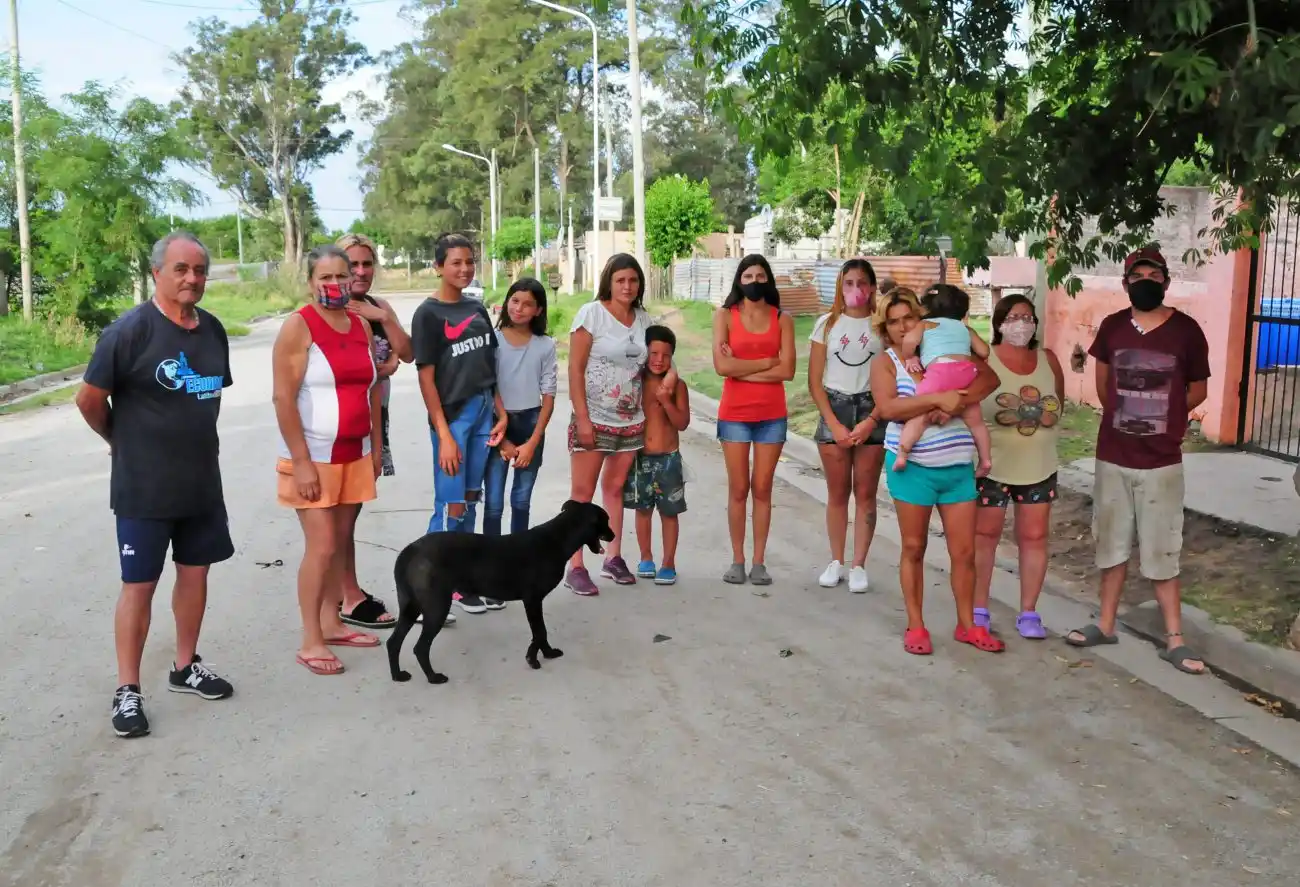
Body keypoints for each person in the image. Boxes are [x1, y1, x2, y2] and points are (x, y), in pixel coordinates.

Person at [76, 231, 235, 738]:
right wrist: (118, 439)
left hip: (201, 483)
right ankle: (128, 689)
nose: (192, 279)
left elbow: (206, 396)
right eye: (181, 269)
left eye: (199, 270)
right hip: (143, 488)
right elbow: (88, 399)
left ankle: (185, 666)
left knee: (195, 575)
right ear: (157, 274)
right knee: (139, 585)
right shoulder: (128, 332)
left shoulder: (211, 330)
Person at [1065, 247, 1210, 675]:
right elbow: (1103, 385)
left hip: (1162, 461)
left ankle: (1175, 640)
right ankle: (1105, 624)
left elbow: (1198, 389)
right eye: (1137, 273)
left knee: (1162, 547)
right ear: (1125, 282)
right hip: (1114, 456)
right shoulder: (1111, 328)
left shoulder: (1186, 330)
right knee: (1111, 543)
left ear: (1166, 282)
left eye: (1153, 273)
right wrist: (1127, 420)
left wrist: (1162, 421)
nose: (1145, 279)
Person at [870, 286, 1005, 655]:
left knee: (964, 552)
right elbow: (888, 409)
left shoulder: (945, 345)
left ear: (923, 318)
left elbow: (990, 379)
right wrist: (936, 399)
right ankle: (916, 625)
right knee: (914, 547)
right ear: (885, 328)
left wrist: (957, 401)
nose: (902, 327)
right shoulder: (886, 362)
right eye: (894, 322)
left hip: (957, 466)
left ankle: (967, 625)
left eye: (908, 318)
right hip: (912, 468)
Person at [272, 246, 383, 676]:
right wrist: (300, 462)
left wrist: (374, 446)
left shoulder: (359, 324)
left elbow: (372, 389)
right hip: (313, 456)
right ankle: (310, 639)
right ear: (310, 281)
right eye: (326, 278)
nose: (335, 284)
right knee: (320, 548)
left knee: (338, 545)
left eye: (342, 276)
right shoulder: (299, 327)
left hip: (354, 455)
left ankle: (333, 623)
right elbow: (283, 397)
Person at [410, 233, 508, 615]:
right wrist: (444, 434)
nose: (465, 268)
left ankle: (461, 581)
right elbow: (426, 377)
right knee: (450, 503)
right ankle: (428, 584)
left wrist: (500, 410)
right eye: (455, 262)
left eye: (469, 261)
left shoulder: (477, 307)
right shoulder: (428, 314)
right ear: (438, 267)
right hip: (452, 417)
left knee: (469, 499)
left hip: (484, 408)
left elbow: (489, 366)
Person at [331, 232, 413, 631]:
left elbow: (409, 352)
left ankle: (343, 589)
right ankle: (346, 594)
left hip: (374, 418)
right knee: (337, 515)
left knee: (352, 509)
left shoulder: (377, 307)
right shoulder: (327, 311)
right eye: (352, 264)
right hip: (338, 421)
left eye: (367, 264)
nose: (360, 272)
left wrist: (384, 320)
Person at [972, 294, 1065, 639]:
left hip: (1039, 465)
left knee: (1035, 537)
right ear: (998, 322)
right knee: (985, 537)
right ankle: (978, 608)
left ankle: (1029, 612)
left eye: (1028, 317)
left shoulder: (1049, 360)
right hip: (991, 465)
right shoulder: (985, 359)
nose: (1021, 324)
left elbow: (1060, 405)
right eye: (1013, 317)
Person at [564, 254, 652, 595]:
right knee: (582, 495)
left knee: (614, 489)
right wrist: (582, 418)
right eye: (621, 280)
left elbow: (652, 362)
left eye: (633, 280)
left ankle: (612, 558)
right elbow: (575, 369)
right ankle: (575, 565)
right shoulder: (592, 314)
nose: (627, 287)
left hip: (631, 420)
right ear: (609, 282)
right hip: (595, 419)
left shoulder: (643, 319)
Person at [712, 254, 796, 585]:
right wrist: (765, 363)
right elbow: (722, 368)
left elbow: (787, 370)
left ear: (769, 280)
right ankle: (737, 559)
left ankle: (759, 561)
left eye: (761, 275)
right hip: (734, 414)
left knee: (762, 488)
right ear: (738, 280)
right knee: (738, 488)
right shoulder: (725, 316)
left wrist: (743, 367)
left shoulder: (782, 319)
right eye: (748, 275)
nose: (754, 281)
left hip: (772, 415)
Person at [808, 258, 887, 592]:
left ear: (872, 287)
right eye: (850, 282)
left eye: (863, 282)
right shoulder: (827, 324)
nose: (857, 289)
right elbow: (814, 381)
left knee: (865, 493)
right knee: (837, 492)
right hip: (835, 407)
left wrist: (872, 421)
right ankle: (836, 560)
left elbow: (892, 379)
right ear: (841, 285)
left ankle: (859, 564)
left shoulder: (882, 326)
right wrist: (833, 424)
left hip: (872, 408)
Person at [892, 284, 993, 477]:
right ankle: (986, 459)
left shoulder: (925, 324)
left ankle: (903, 454)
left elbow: (910, 341)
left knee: (918, 413)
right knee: (977, 422)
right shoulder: (965, 327)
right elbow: (984, 351)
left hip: (940, 372)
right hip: (966, 373)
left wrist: (910, 357)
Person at [484, 277, 558, 537]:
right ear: (506, 302)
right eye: (515, 301)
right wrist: (501, 439)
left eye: (528, 304)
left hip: (531, 423)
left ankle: (517, 559)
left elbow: (548, 395)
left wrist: (532, 442)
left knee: (521, 500)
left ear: (538, 310)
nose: (519, 308)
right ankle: (490, 561)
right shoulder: (492, 341)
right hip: (496, 423)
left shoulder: (545, 345)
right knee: (493, 504)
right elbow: (488, 386)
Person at [625, 325, 692, 585]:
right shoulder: (637, 383)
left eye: (665, 355)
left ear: (672, 356)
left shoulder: (678, 387)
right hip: (640, 459)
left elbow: (682, 423)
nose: (658, 360)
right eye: (653, 353)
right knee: (642, 510)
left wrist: (666, 400)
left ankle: (668, 562)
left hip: (668, 459)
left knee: (669, 513)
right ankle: (646, 557)